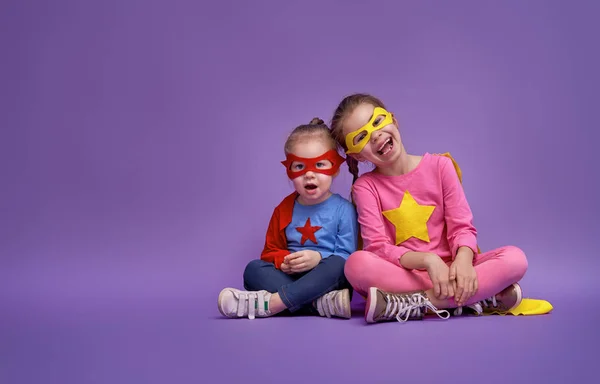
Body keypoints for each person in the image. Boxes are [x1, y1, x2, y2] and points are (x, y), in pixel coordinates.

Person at [328, 93, 528, 323]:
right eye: (361, 136)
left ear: (393, 120)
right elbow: (378, 248)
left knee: (515, 258)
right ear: (356, 155)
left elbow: (462, 228)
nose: (375, 135)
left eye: (377, 122)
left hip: (453, 269)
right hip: (405, 274)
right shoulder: (365, 187)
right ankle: (476, 297)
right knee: (356, 265)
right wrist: (428, 261)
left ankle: (408, 303)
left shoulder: (440, 166)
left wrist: (463, 262)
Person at [218, 118, 359, 319]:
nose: (310, 175)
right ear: (289, 171)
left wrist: (319, 258)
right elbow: (269, 252)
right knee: (253, 270)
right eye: (300, 166)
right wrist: (283, 261)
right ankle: (319, 306)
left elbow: (347, 256)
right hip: (291, 278)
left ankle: (272, 304)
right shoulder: (283, 209)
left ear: (335, 168)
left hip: (327, 280)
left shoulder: (343, 209)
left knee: (339, 265)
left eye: (320, 164)